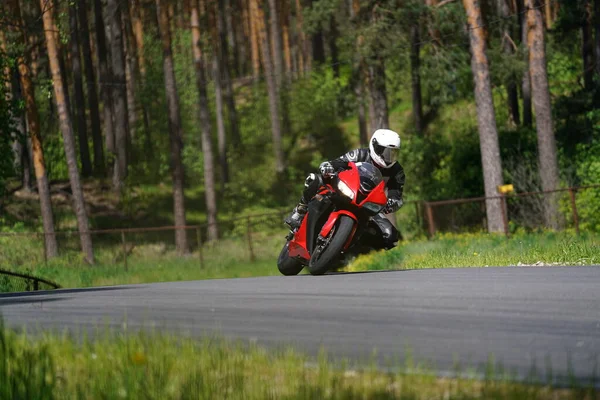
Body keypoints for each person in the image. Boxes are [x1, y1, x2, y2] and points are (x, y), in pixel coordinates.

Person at [284, 128, 406, 250]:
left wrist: (392, 202)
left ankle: (350, 246)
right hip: (348, 189)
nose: (388, 157)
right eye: (385, 152)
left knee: (390, 236)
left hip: (368, 204)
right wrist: (329, 166)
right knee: (314, 179)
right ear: (375, 146)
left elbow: (397, 194)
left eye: (393, 153)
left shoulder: (397, 171)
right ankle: (299, 211)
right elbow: (340, 162)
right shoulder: (360, 154)